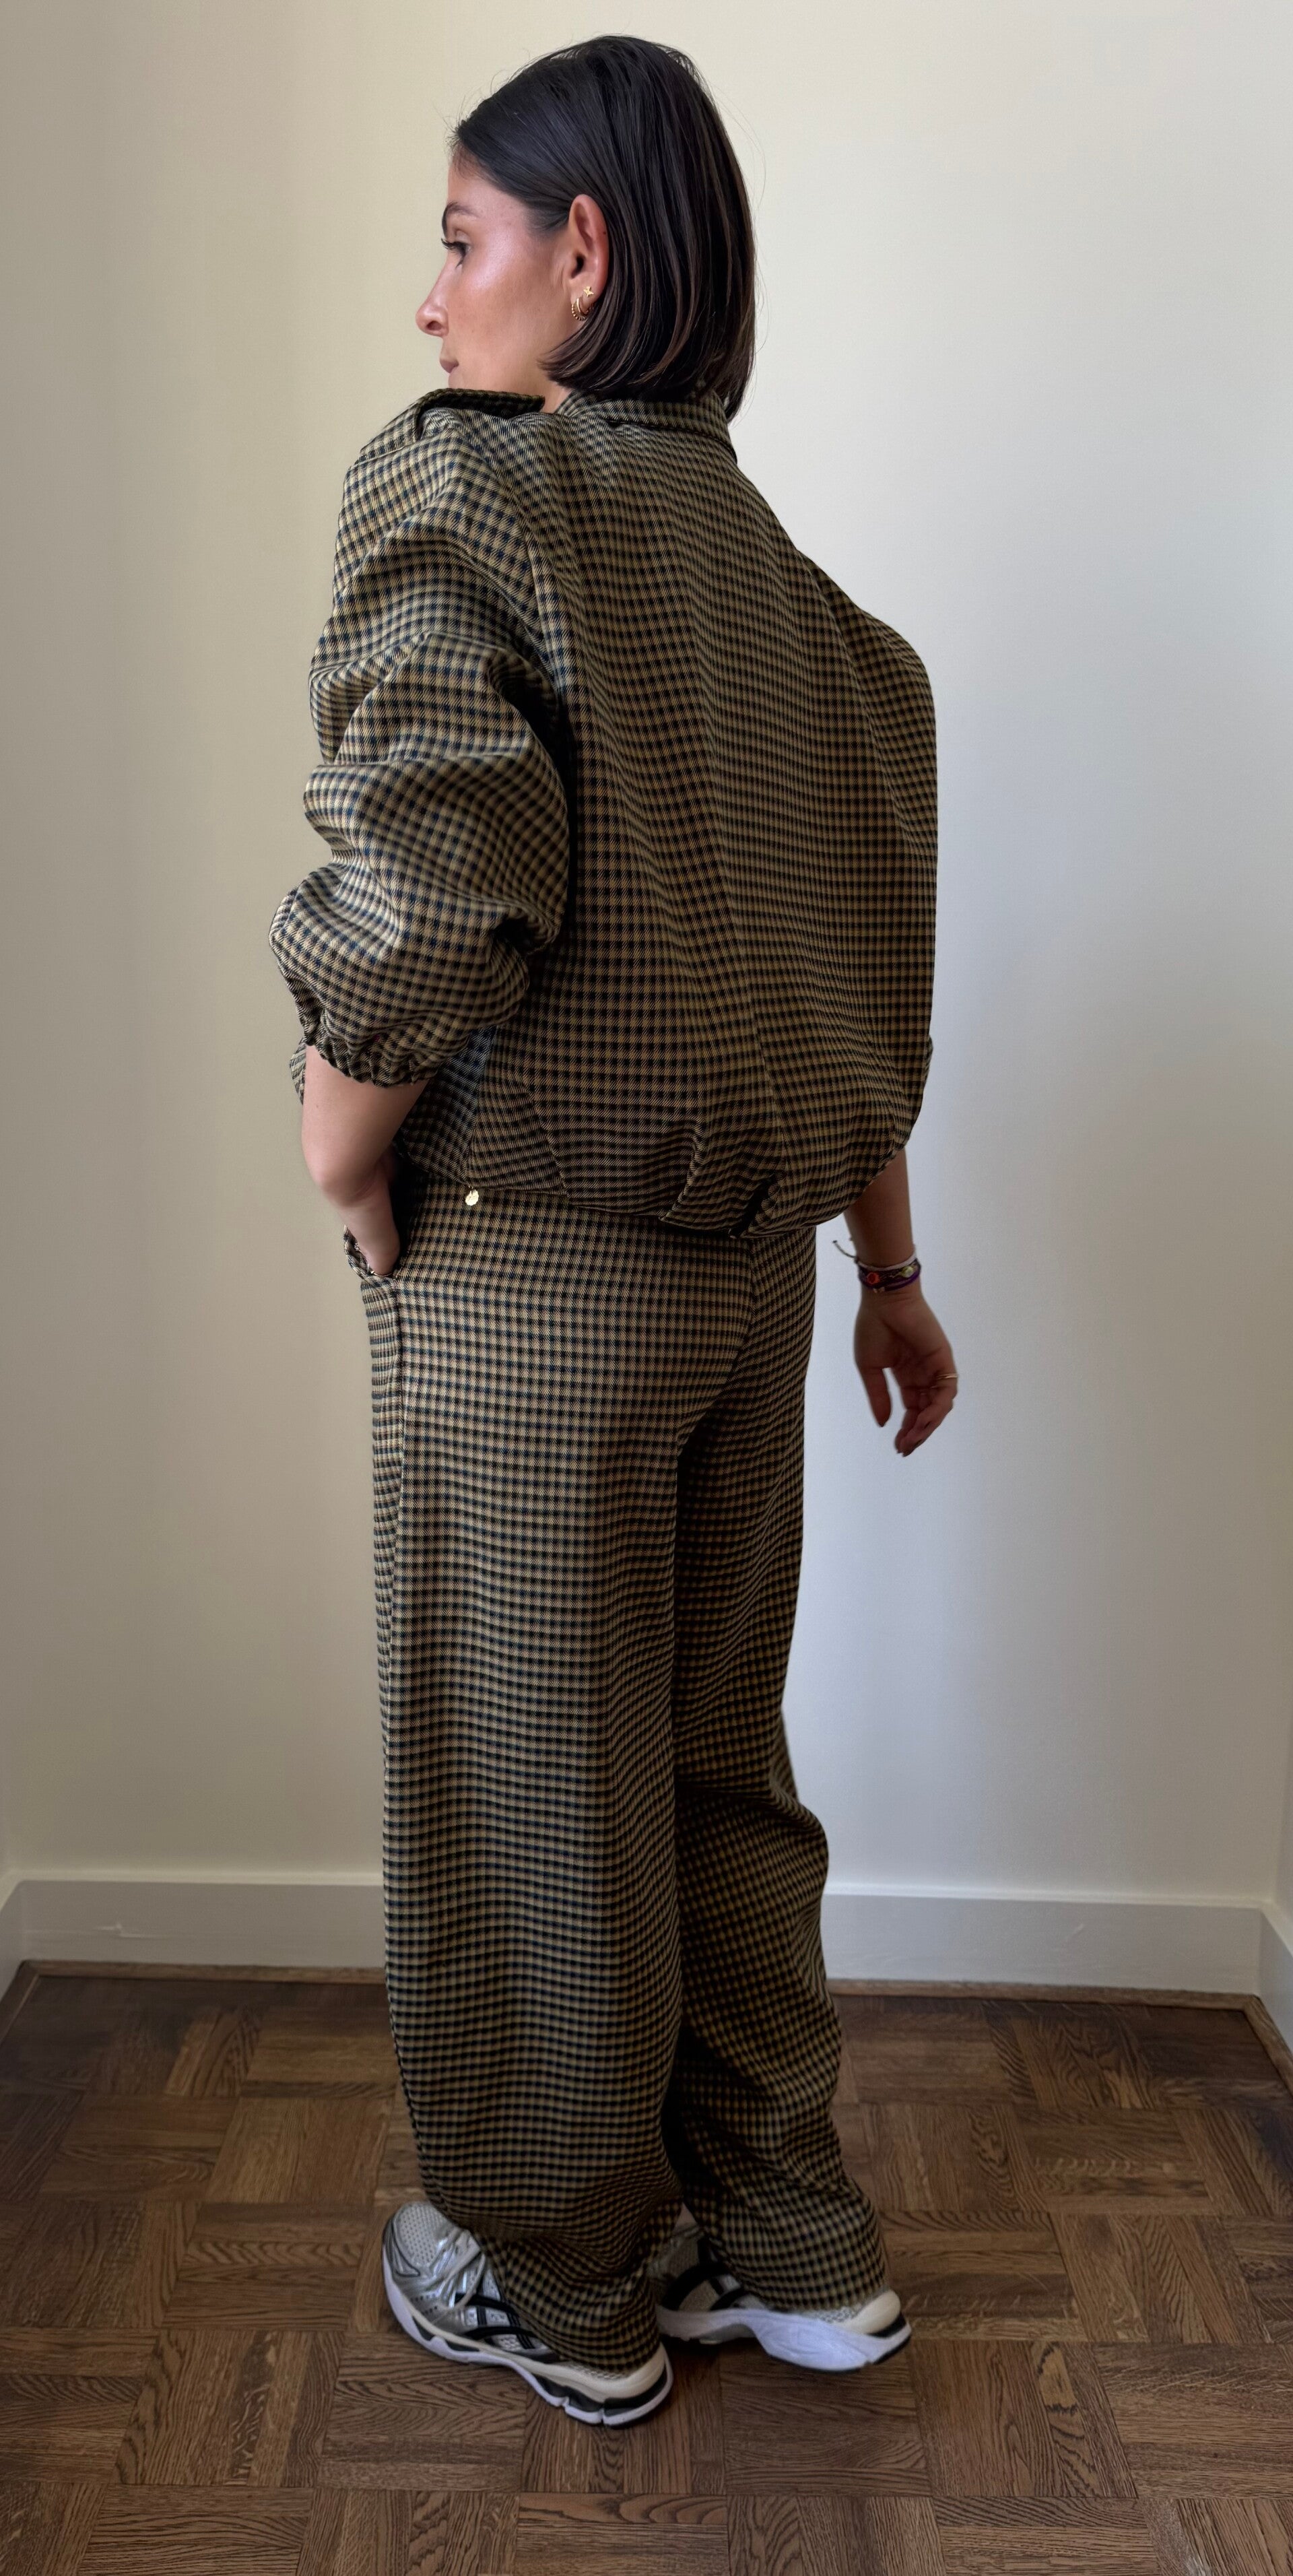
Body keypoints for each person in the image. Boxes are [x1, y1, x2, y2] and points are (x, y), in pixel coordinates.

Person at [267, 33, 956, 2429]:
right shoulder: (826, 623)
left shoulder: (472, 481)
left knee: (529, 1783)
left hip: (533, 1262)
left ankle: (561, 2281)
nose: (430, 294)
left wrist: (337, 1144)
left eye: (462, 237)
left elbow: (435, 860)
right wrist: (890, 1271)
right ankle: (793, 2239)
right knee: (714, 1764)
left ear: (585, 251)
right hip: (761, 1290)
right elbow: (870, 972)